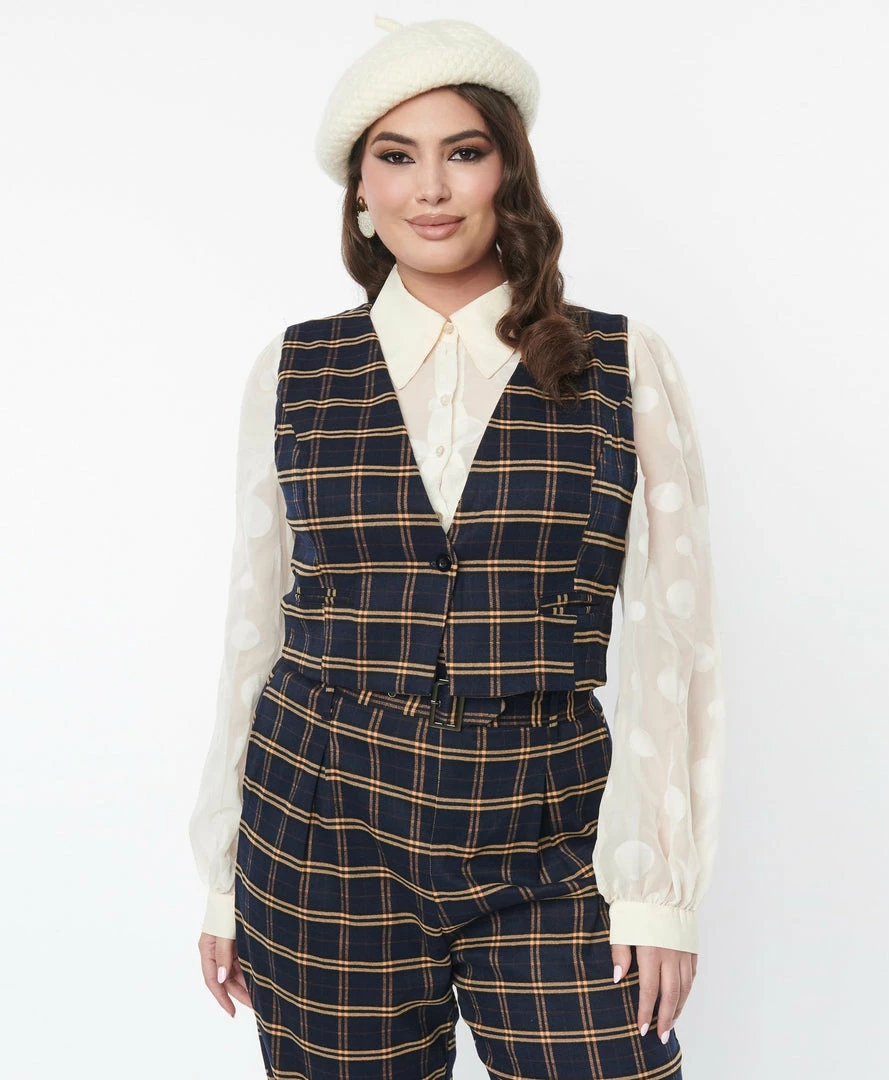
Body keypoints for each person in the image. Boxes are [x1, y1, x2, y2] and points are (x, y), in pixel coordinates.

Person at [188, 14, 726, 1080]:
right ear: (361, 190)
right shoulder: (295, 369)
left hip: (551, 825)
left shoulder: (622, 364)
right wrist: (222, 872)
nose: (430, 189)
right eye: (397, 157)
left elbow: (677, 639)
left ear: (506, 174)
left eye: (463, 153)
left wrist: (657, 888)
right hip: (319, 828)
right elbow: (255, 628)